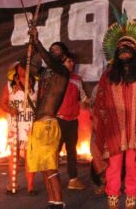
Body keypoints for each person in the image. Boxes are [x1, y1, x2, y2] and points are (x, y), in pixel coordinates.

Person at [92, 16, 136, 209]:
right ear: (116, 53)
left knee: (133, 166)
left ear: (135, 52)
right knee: (113, 167)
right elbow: (99, 102)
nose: (124, 52)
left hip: (135, 129)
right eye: (120, 49)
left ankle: (131, 199)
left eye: (127, 49)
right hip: (113, 131)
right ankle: (113, 201)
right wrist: (101, 123)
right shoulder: (107, 76)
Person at [26, 28, 72, 209]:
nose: (53, 51)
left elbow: (48, 60)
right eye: (51, 49)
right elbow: (29, 66)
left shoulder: (62, 71)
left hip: (48, 125)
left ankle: (59, 202)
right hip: (38, 125)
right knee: (43, 167)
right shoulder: (46, 72)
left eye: (57, 50)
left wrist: (38, 42)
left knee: (50, 167)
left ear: (64, 56)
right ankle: (52, 202)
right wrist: (31, 46)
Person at [0, 60, 39, 195]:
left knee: (30, 156)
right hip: (14, 124)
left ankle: (30, 186)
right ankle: (12, 184)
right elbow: (3, 103)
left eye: (26, 67)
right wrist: (10, 110)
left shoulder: (37, 85)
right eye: (21, 67)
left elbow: (42, 103)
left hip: (30, 125)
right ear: (16, 69)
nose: (23, 70)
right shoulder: (10, 86)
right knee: (14, 156)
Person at [56, 52, 88, 191]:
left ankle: (73, 180)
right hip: (58, 120)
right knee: (54, 151)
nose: (72, 64)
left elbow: (83, 98)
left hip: (72, 121)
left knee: (71, 151)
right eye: (69, 61)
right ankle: (52, 179)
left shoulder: (77, 80)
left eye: (73, 61)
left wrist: (96, 102)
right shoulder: (56, 77)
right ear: (62, 62)